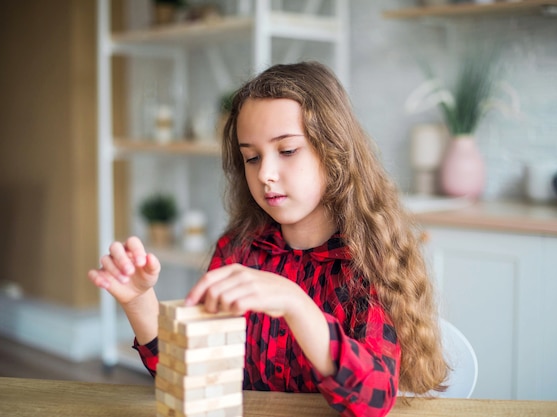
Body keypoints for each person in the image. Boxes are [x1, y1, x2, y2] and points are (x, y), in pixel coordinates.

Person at [88, 61, 449, 416]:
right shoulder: (239, 250)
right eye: (251, 157)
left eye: (288, 150)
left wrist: (296, 303)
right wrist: (139, 302)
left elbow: (373, 401)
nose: (266, 174)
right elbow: (196, 376)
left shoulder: (366, 260)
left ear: (334, 151)